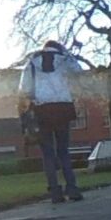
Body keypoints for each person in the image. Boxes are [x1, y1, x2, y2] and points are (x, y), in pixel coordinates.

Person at [17, 39, 85, 204]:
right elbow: (79, 71)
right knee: (64, 151)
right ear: (57, 47)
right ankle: (72, 188)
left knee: (48, 153)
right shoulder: (63, 59)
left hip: (42, 109)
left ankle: (55, 191)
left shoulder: (32, 62)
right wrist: (68, 53)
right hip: (63, 107)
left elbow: (24, 88)